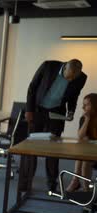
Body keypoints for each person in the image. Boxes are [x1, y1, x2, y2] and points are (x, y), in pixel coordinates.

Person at [20, 59, 87, 192]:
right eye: (69, 76)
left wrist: (71, 111)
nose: (71, 80)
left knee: (53, 150)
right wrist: (29, 110)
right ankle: (25, 182)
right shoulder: (48, 66)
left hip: (57, 113)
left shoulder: (81, 78)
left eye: (74, 78)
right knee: (30, 147)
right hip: (38, 110)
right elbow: (32, 87)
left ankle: (52, 183)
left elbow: (74, 95)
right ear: (65, 67)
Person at [65, 93, 97, 192]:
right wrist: (87, 120)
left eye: (86, 104)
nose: (83, 107)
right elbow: (80, 136)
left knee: (85, 159)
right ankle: (77, 182)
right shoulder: (84, 118)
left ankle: (85, 187)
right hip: (89, 150)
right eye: (83, 104)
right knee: (81, 156)